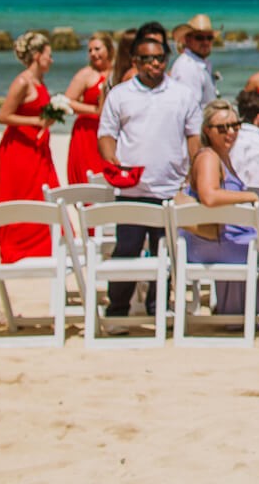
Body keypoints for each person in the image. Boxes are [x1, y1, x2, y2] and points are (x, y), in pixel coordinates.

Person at [98, 34, 202, 319]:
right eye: (147, 59)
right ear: (136, 61)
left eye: (159, 58)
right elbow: (106, 133)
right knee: (126, 252)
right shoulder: (120, 94)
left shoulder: (183, 94)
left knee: (165, 253)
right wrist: (111, 159)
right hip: (132, 189)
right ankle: (117, 312)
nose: (154, 64)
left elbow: (194, 136)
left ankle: (159, 311)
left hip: (170, 188)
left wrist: (195, 171)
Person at [180, 99, 259, 316]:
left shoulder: (222, 156)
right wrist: (249, 196)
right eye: (222, 128)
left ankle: (239, 312)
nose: (231, 132)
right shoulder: (208, 157)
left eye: (235, 126)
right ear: (208, 130)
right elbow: (209, 196)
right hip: (209, 242)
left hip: (218, 237)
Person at [0, 31, 61, 262]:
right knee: (21, 195)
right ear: (36, 56)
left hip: (37, 146)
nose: (51, 60)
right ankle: (17, 244)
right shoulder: (22, 81)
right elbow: (4, 116)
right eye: (48, 55)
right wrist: (36, 122)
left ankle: (43, 243)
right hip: (19, 148)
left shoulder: (39, 81)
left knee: (42, 193)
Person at [64, 32, 114, 185]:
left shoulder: (118, 72)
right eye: (90, 50)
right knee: (88, 178)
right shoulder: (86, 74)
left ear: (109, 49)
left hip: (110, 132)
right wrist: (93, 110)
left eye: (97, 49)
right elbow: (67, 101)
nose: (93, 54)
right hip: (87, 133)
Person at [170, 14, 218, 109]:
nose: (206, 42)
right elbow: (190, 109)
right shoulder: (187, 67)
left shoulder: (197, 64)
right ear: (188, 40)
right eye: (199, 38)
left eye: (209, 38)